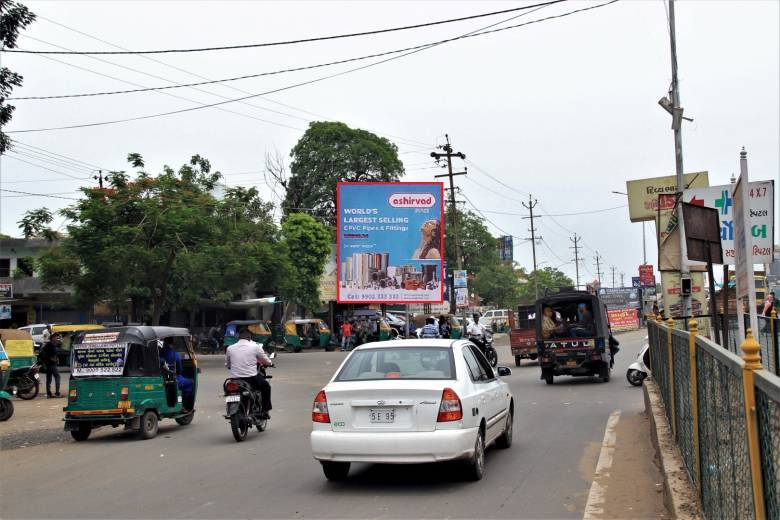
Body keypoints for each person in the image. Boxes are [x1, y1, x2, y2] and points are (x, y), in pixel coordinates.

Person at [225, 329, 273, 418]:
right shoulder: (255, 347)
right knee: (266, 386)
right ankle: (265, 411)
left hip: (235, 379)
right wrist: (270, 363)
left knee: (228, 389)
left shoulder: (230, 348)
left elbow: (228, 365)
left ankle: (229, 408)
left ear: (238, 338)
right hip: (251, 378)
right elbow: (264, 360)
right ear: (249, 337)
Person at [159, 337, 194, 405]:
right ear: (172, 343)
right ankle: (184, 404)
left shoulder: (158, 353)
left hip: (160, 378)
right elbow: (180, 370)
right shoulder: (175, 354)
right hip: (173, 378)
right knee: (190, 383)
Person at [38, 332, 64, 398]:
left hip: (48, 364)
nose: (58, 339)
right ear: (53, 338)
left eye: (58, 338)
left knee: (49, 379)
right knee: (57, 377)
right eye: (56, 338)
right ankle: (57, 393)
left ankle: (49, 393)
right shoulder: (51, 345)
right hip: (51, 364)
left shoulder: (50, 344)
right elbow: (50, 354)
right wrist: (53, 359)